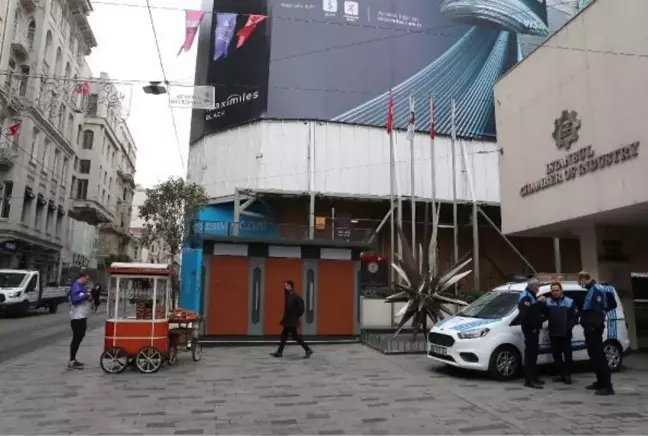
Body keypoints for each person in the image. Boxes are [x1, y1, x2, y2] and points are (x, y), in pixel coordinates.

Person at [578, 271, 614, 395]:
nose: (579, 282)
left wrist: (592, 326)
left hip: (594, 328)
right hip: (590, 328)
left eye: (580, 279)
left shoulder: (596, 289)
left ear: (585, 278)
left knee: (599, 357)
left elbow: (598, 311)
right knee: (593, 356)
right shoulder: (590, 290)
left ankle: (607, 386)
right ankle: (600, 382)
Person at [544, 281, 578, 384]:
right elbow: (543, 314)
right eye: (553, 291)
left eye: (557, 290)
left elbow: (575, 318)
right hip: (553, 333)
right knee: (556, 354)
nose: (555, 292)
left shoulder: (570, 302)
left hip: (565, 333)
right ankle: (560, 374)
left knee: (567, 355)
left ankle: (567, 375)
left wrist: (568, 328)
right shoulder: (548, 302)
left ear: (561, 290)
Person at [271, 280, 313, 359]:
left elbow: (301, 307)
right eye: (284, 286)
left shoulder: (295, 295)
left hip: (292, 320)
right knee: (285, 335)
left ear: (290, 286)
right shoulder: (288, 295)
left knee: (294, 337)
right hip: (288, 320)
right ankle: (279, 352)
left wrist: (296, 316)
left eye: (286, 285)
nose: (285, 287)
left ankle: (308, 350)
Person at [517, 277, 546, 389]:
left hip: (534, 328)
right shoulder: (525, 296)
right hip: (530, 329)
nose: (538, 288)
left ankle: (533, 376)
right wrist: (538, 303)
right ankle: (529, 380)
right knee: (530, 355)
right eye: (537, 286)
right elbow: (526, 314)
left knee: (534, 354)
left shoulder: (531, 296)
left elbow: (534, 310)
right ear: (532, 286)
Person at [68, 272, 91, 370]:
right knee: (76, 338)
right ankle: (71, 361)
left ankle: (73, 359)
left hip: (82, 315)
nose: (87, 281)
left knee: (80, 336)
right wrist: (86, 296)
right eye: (86, 279)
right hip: (77, 317)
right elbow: (74, 300)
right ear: (81, 277)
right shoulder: (76, 286)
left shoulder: (81, 286)